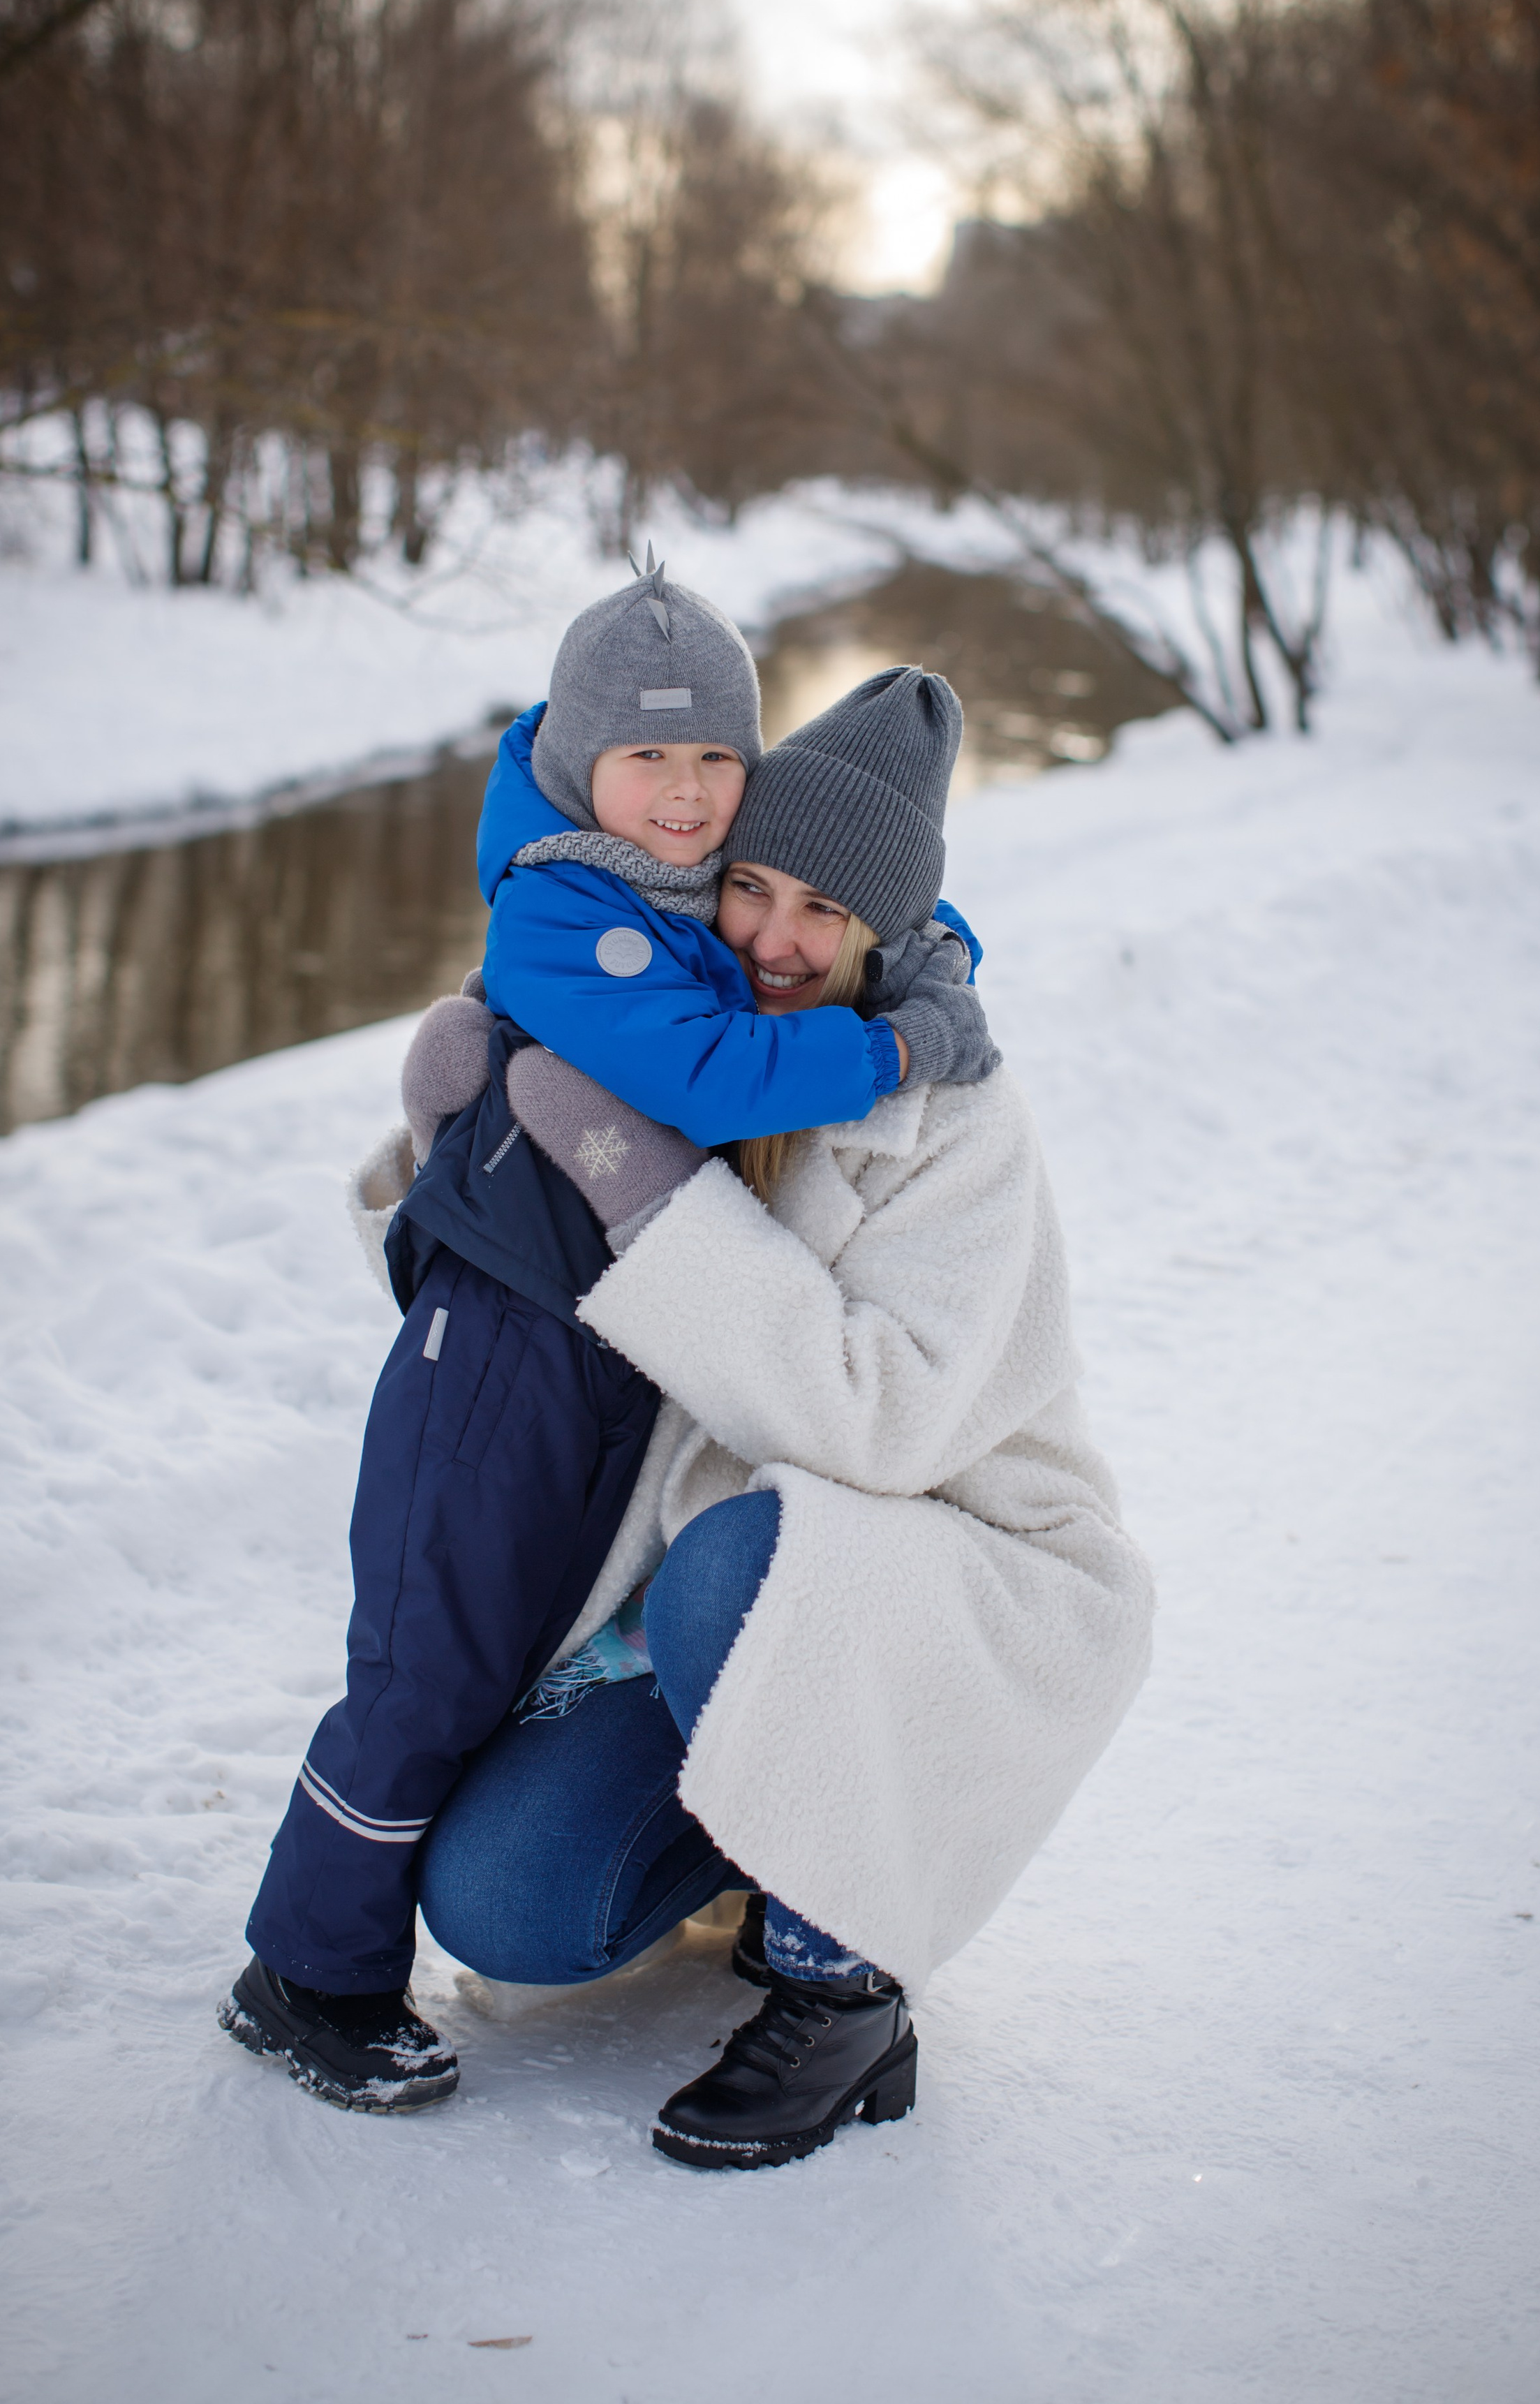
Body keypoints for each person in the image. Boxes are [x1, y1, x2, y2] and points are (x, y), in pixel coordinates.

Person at [221, 573, 997, 2114]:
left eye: (717, 761)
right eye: (652, 762)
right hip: (500, 1354)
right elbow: (706, 1082)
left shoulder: (697, 888)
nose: (691, 796)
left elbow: (858, 891)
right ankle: (307, 1971)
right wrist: (897, 1041)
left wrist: (936, 955)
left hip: (601, 1367)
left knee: (508, 1651)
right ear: (580, 764)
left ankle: (747, 1857)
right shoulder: (566, 907)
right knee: (430, 1666)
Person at [413, 668, 1156, 2170]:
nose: (772, 939)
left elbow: (875, 1429)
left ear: (882, 930)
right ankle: (770, 1835)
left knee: (740, 1567)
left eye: (823, 911)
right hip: (729, 1581)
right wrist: (455, 1147)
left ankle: (844, 1988)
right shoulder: (689, 1044)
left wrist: (657, 1203)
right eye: (747, 885)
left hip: (958, 1569)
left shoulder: (945, 1117)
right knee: (504, 1909)